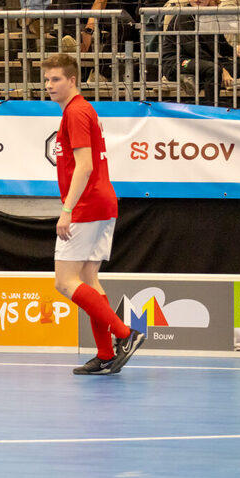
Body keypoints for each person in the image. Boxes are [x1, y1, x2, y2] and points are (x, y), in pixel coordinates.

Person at [43, 51, 143, 375]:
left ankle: (125, 334)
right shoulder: (82, 110)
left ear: (72, 80)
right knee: (88, 279)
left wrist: (67, 210)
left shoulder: (75, 112)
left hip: (87, 205)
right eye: (46, 80)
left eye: (56, 79)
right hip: (103, 203)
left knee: (64, 282)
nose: (49, 85)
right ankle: (105, 355)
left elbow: (84, 166)